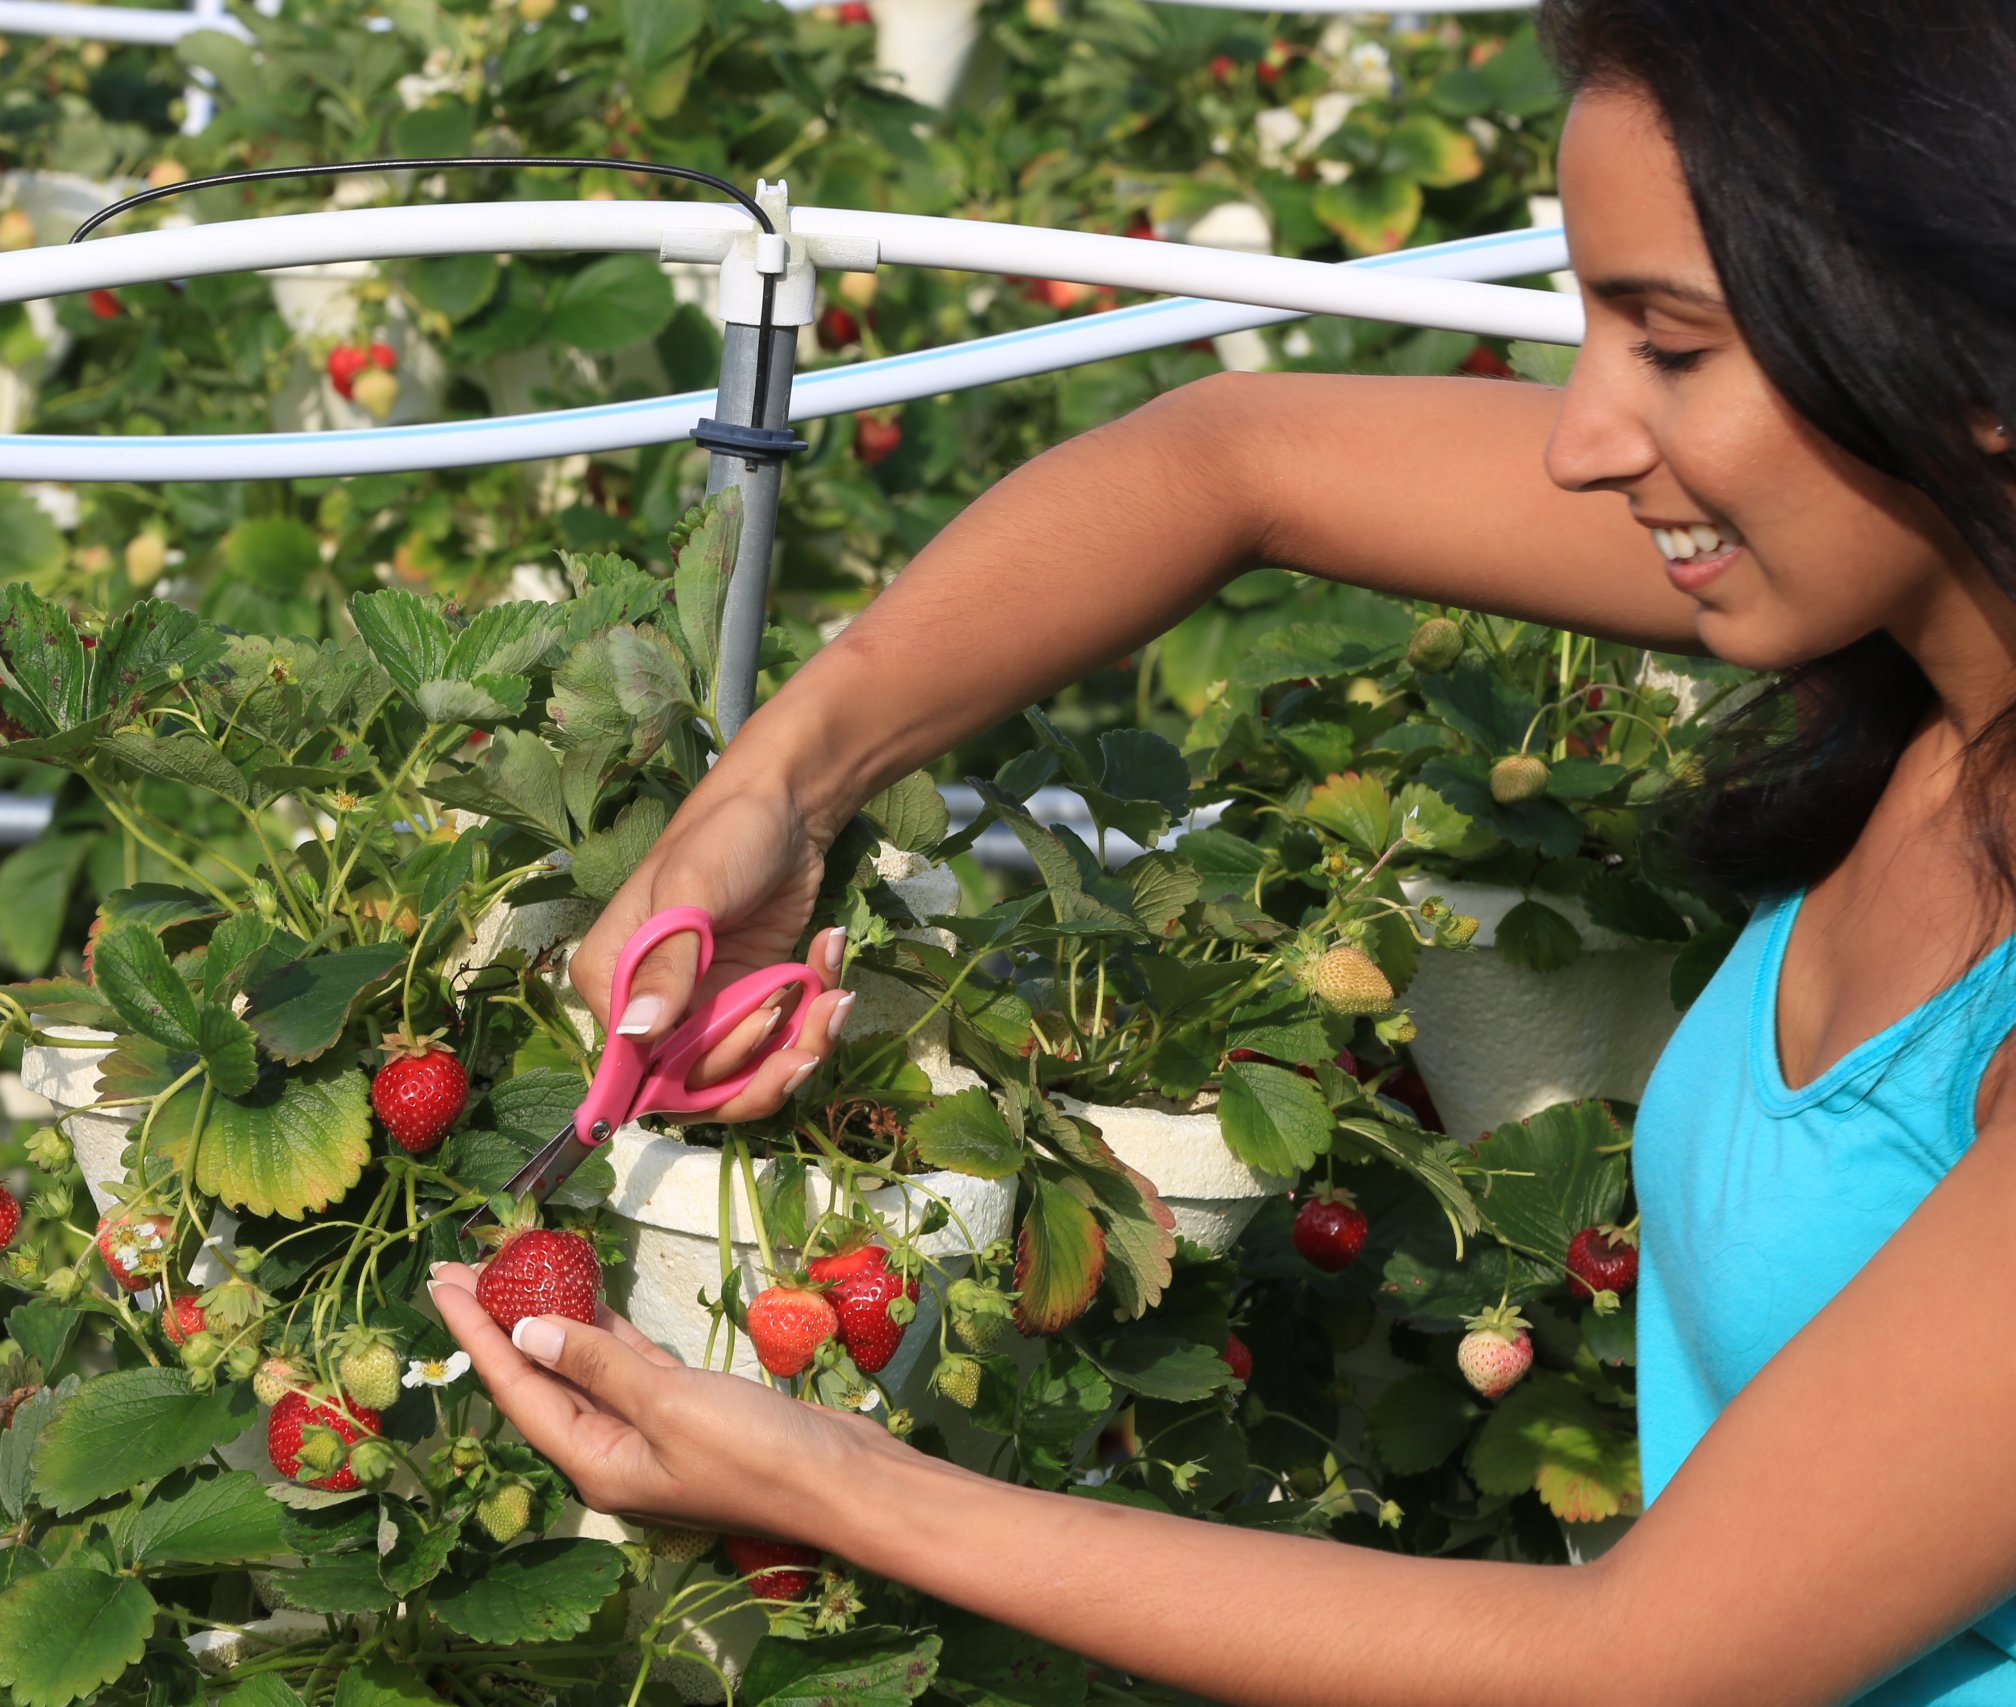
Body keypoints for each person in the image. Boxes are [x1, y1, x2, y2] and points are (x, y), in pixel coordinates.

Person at [431, 0, 2016, 1699]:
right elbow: (1233, 459)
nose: (1580, 439)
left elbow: (1640, 1666)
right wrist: (783, 788)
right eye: (1595, 331)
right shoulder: (1926, 626)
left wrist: (836, 1481)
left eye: (1676, 348)